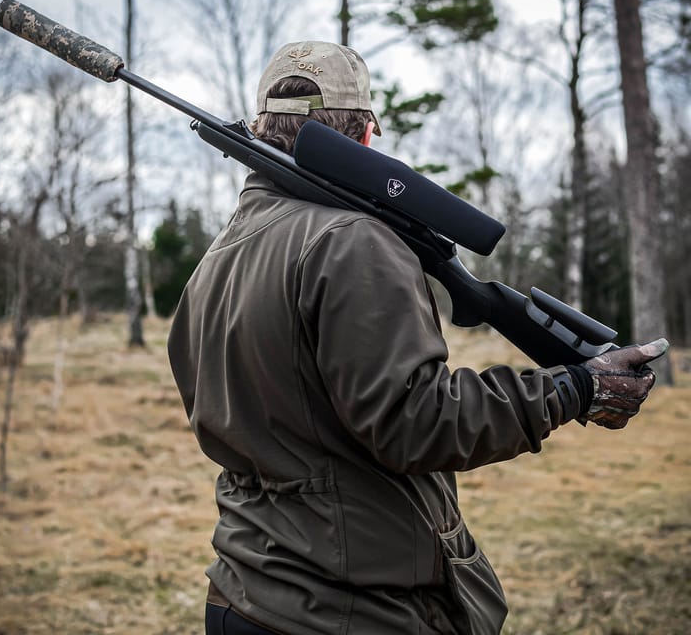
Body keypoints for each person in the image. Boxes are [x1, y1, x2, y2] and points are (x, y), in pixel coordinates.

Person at [167, 41, 667, 635]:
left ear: (262, 127)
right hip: (350, 609)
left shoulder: (221, 255)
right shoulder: (351, 240)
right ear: (365, 137)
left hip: (242, 592)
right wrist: (573, 389)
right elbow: (415, 421)